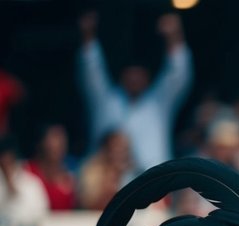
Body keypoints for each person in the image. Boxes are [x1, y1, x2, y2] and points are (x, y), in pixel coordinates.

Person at [77, 11, 193, 174]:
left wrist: (174, 36)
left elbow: (178, 74)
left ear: (148, 78)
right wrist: (87, 34)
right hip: (103, 186)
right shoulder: (106, 100)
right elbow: (91, 71)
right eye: (130, 74)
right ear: (121, 76)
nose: (134, 79)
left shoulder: (158, 104)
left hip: (154, 187)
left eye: (139, 75)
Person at [25, 124, 78, 211]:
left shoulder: (70, 179)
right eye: (54, 137)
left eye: (62, 140)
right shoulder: (27, 171)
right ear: (41, 143)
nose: (59, 144)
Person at [77, 130, 135, 210]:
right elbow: (88, 204)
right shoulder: (92, 171)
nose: (122, 152)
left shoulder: (133, 172)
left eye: (125, 148)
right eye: (117, 147)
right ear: (106, 148)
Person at [0, 134, 49, 221]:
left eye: (9, 158)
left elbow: (42, 215)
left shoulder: (32, 184)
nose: (5, 162)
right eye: (2, 158)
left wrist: (12, 187)